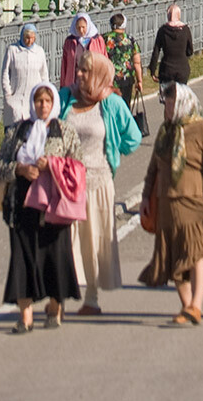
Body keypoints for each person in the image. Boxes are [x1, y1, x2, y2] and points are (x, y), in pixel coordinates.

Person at [0, 80, 81, 331]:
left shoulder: (64, 131)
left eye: (47, 101)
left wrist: (52, 166)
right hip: (21, 203)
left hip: (53, 205)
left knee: (55, 255)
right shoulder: (18, 131)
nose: (43, 106)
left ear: (54, 104)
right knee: (22, 257)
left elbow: (77, 166)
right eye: (38, 101)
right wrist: (19, 169)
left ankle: (55, 307)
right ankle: (25, 315)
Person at [139, 82, 203, 325]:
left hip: (196, 203)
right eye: (166, 103)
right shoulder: (165, 131)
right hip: (167, 205)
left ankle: (197, 304)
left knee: (196, 252)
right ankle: (187, 306)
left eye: (171, 103)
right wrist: (146, 197)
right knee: (174, 258)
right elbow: (153, 168)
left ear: (183, 103)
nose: (167, 107)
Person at [60, 53, 142, 315]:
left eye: (85, 71)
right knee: (63, 240)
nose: (80, 74)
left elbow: (133, 138)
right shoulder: (65, 98)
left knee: (93, 239)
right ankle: (58, 298)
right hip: (66, 183)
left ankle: (91, 297)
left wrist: (111, 148)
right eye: (79, 70)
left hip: (98, 180)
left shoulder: (112, 103)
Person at [1, 24, 50, 129]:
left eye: (32, 38)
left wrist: (44, 92)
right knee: (14, 129)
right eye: (27, 38)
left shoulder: (39, 51)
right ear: (22, 37)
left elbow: (44, 74)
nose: (29, 41)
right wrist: (8, 93)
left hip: (33, 97)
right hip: (15, 96)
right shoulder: (12, 50)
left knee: (31, 130)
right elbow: (5, 73)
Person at [60, 12, 109, 88]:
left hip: (94, 82)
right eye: (78, 27)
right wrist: (63, 84)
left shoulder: (97, 39)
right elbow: (64, 64)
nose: (81, 30)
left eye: (83, 27)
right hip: (74, 83)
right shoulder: (70, 41)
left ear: (88, 26)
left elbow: (105, 60)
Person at [104, 12, 144, 106]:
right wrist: (139, 81)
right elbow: (137, 62)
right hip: (127, 79)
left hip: (109, 79)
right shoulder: (130, 39)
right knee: (125, 106)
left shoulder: (104, 39)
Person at [148, 3, 194, 84]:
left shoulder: (163, 30)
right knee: (181, 94)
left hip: (166, 69)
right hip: (182, 68)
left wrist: (152, 70)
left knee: (167, 95)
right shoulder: (185, 30)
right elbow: (190, 51)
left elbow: (156, 52)